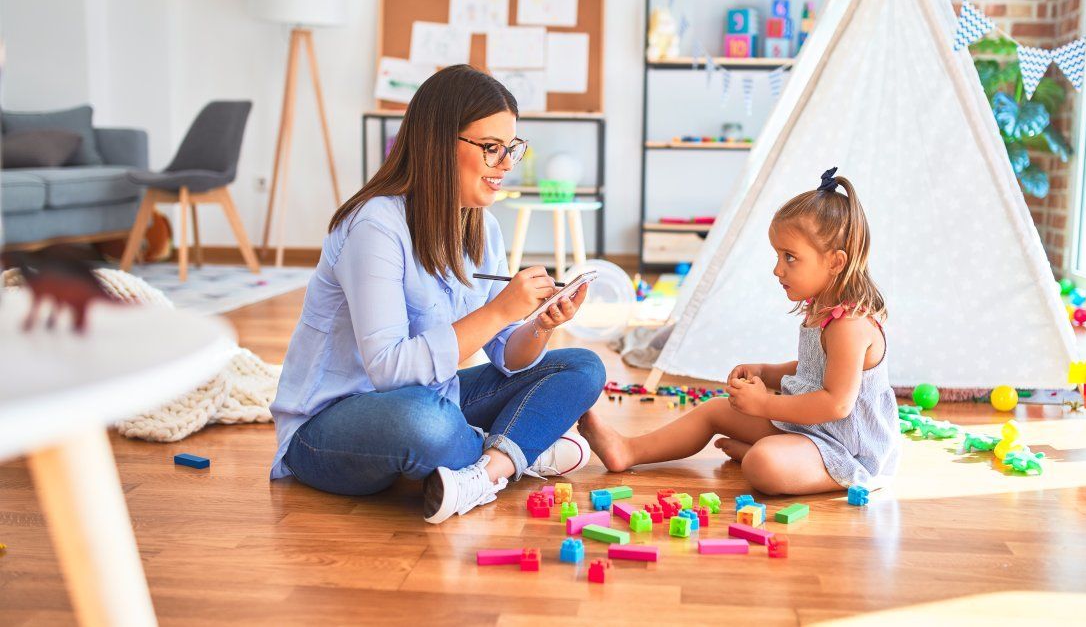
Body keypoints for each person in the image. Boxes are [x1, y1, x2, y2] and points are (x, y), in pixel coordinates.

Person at [269, 65, 606, 524]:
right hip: (331, 428)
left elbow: (507, 353)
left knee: (583, 366)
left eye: (511, 148)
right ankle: (521, 447)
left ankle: (489, 470)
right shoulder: (375, 226)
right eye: (491, 148)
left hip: (434, 400)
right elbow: (388, 371)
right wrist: (498, 311)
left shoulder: (480, 226)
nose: (506, 164)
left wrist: (539, 325)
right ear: (438, 143)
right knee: (426, 422)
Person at [580, 168, 899, 495]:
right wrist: (767, 372)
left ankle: (768, 456)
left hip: (847, 450)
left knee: (762, 464)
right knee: (714, 410)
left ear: (835, 262)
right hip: (812, 430)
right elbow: (816, 371)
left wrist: (764, 405)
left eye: (790, 257)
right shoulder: (821, 308)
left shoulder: (849, 325)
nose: (777, 269)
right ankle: (628, 450)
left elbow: (836, 404)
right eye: (777, 255)